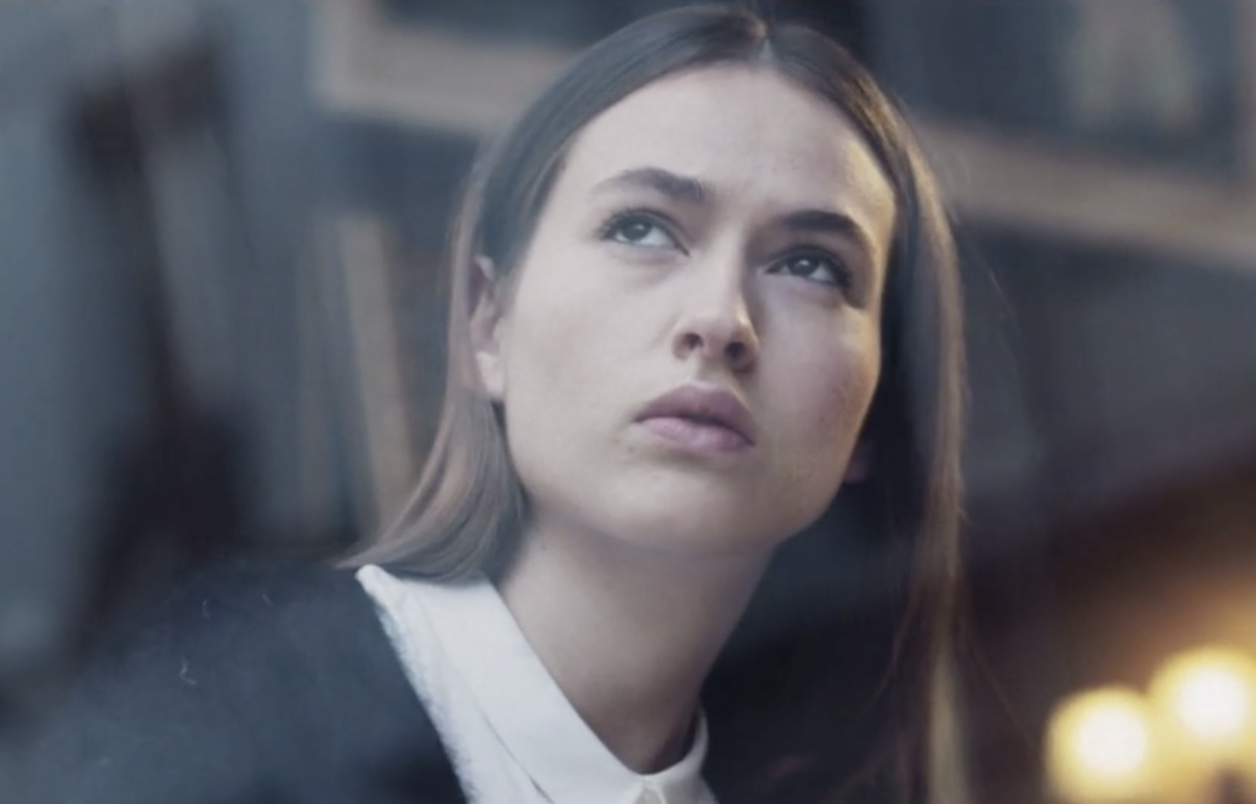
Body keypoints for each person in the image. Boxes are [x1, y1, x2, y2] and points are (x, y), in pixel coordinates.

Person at [21, 4, 972, 803]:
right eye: (642, 228)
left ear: (875, 417)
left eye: (812, 266)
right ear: (487, 323)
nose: (720, 320)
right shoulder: (227, 713)